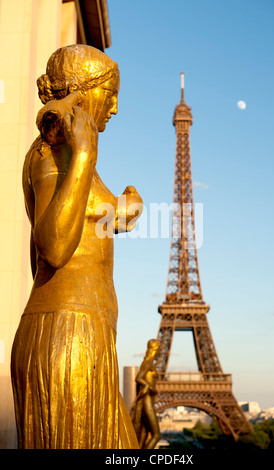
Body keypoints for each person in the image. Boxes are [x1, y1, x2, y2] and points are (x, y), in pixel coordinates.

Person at [11, 44, 142, 449]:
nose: (115, 107)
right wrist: (85, 153)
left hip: (86, 333)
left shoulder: (62, 151)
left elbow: (82, 218)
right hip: (67, 335)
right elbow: (53, 246)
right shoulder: (55, 152)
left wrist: (122, 209)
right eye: (111, 93)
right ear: (85, 92)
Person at [132, 339, 161, 449]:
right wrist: (149, 386)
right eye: (158, 350)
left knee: (143, 434)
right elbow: (138, 378)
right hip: (147, 403)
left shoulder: (149, 363)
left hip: (148, 401)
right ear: (154, 350)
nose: (159, 352)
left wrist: (152, 388)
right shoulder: (148, 363)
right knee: (157, 435)